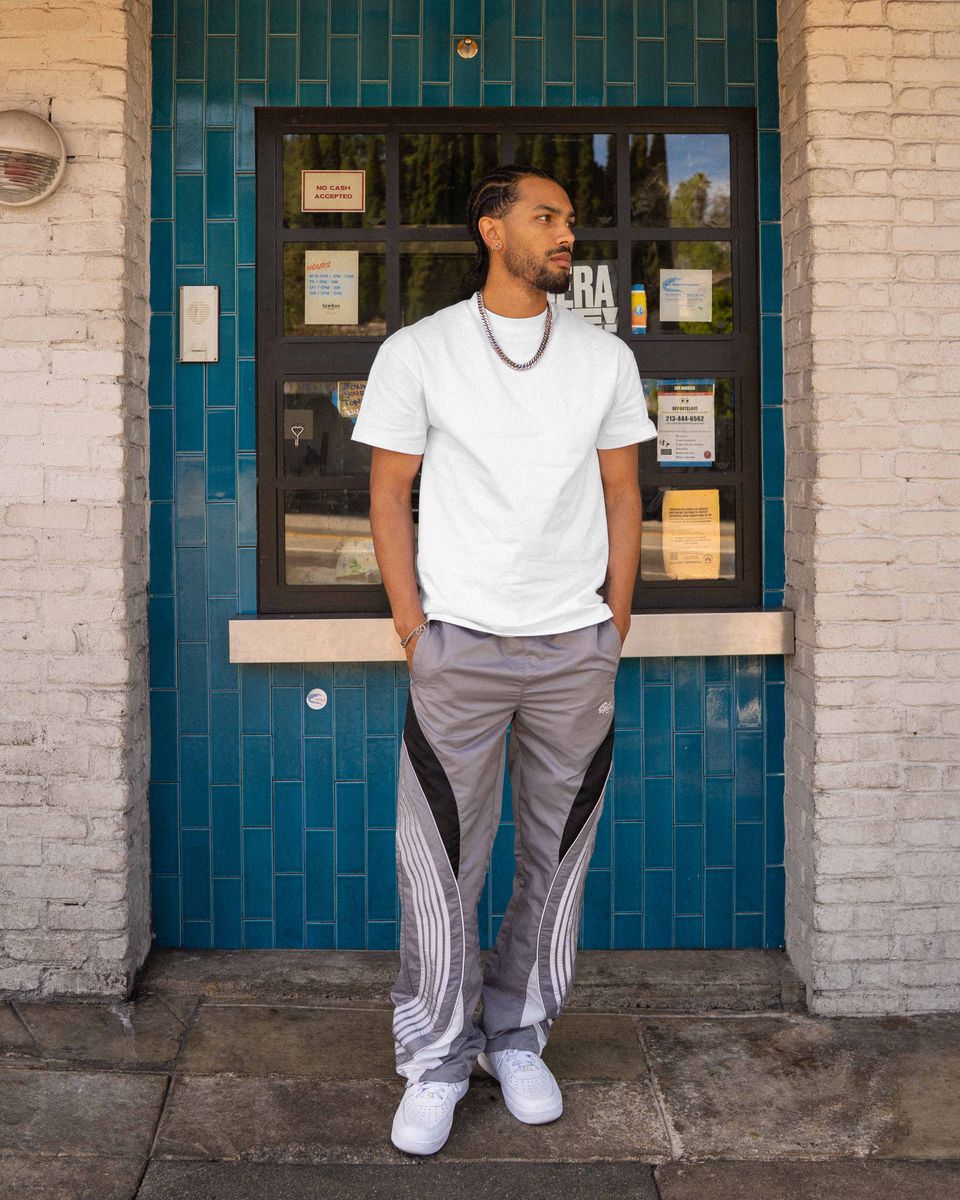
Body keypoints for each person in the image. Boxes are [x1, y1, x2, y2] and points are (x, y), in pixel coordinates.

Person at [350, 164, 657, 1156]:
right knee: (440, 863)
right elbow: (388, 495)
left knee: (555, 860)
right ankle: (435, 1057)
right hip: (460, 645)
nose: (567, 233)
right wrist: (414, 628)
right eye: (547, 217)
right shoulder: (420, 351)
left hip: (574, 648)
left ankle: (516, 1032)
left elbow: (622, 498)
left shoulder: (604, 358)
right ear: (493, 229)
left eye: (568, 219)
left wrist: (612, 624)